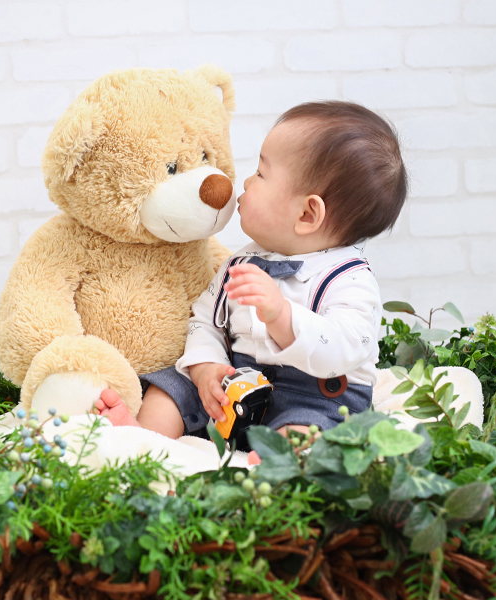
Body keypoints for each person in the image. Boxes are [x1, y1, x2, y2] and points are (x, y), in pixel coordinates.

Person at [95, 100, 407, 442]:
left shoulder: (349, 280)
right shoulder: (242, 262)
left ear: (306, 215)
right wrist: (206, 370)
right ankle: (143, 440)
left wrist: (282, 316)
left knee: (307, 431)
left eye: (261, 173)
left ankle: (282, 464)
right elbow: (205, 321)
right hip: (236, 384)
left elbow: (345, 348)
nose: (246, 181)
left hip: (314, 395)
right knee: (171, 387)